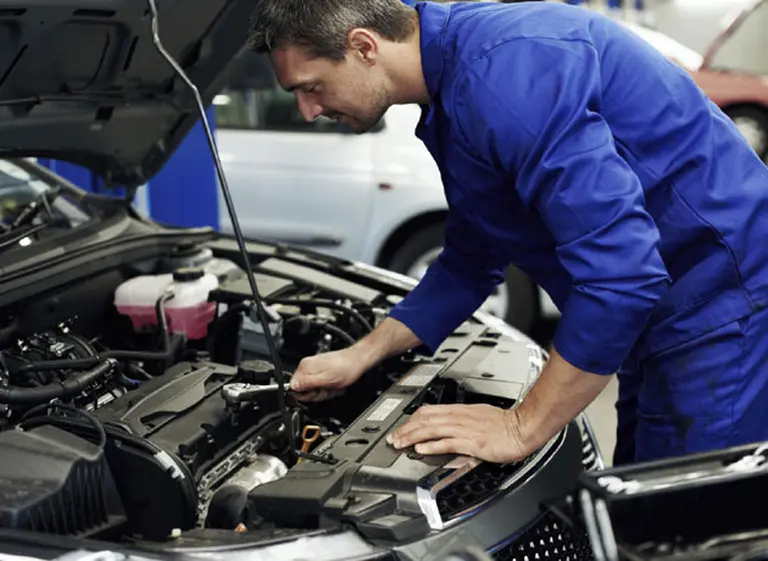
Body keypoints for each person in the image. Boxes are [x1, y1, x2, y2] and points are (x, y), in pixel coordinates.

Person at [246, 0, 768, 466]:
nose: (308, 111)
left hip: (726, 307)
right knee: (633, 505)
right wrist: (361, 354)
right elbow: (469, 262)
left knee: (686, 529)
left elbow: (623, 279)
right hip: (664, 318)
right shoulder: (454, 90)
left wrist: (520, 427)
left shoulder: (503, 79)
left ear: (363, 47)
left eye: (310, 88)